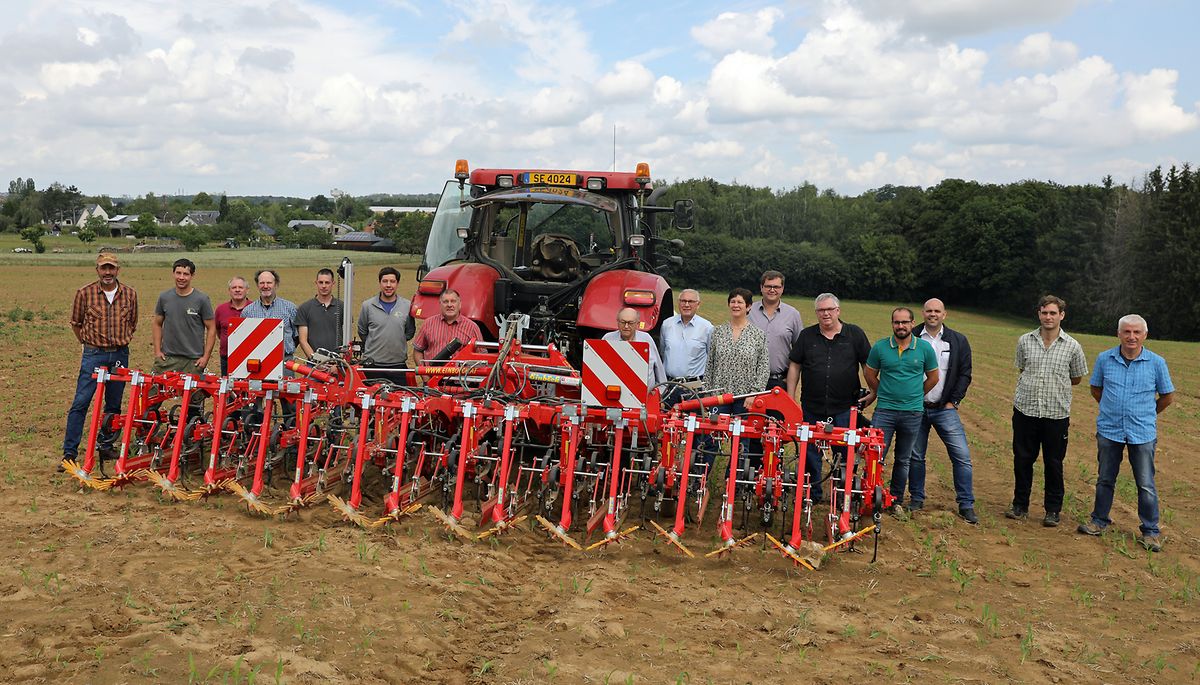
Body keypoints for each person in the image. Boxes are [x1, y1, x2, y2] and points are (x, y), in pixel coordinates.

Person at [1078, 315, 1174, 552]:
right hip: (1109, 430)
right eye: (1127, 332)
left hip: (1142, 433)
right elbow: (1096, 389)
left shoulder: (1156, 363)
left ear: (1145, 335)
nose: (1132, 337)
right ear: (1118, 334)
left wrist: (1147, 414)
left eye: (1136, 332)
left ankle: (1150, 531)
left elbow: (1167, 396)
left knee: (1145, 484)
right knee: (1105, 479)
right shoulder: (1105, 359)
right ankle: (1099, 521)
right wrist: (1113, 410)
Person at [1009, 295, 1089, 527]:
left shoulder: (1072, 346)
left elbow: (1076, 377)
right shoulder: (1025, 341)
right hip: (1026, 411)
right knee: (1023, 460)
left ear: (1061, 315)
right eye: (1044, 312)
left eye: (1053, 313)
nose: (1048, 317)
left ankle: (1052, 510)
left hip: (1056, 414)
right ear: (1039, 314)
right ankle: (1020, 505)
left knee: (1053, 463)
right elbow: (1022, 368)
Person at [785, 293, 872, 503]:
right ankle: (812, 493)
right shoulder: (807, 336)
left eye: (830, 309)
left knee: (844, 452)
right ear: (816, 313)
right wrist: (790, 397)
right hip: (812, 406)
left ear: (838, 311)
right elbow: (795, 365)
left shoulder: (854, 334)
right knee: (810, 452)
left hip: (844, 407)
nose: (825, 314)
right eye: (821, 310)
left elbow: (868, 365)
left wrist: (873, 390)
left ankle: (842, 493)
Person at [62, 252, 138, 466]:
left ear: (118, 270)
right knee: (81, 402)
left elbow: (132, 323)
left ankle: (106, 445)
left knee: (113, 403)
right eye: (103, 268)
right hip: (94, 355)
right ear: (97, 270)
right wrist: (87, 344)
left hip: (120, 354)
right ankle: (69, 453)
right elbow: (76, 323)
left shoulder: (130, 294)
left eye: (111, 268)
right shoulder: (84, 293)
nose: (107, 272)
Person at [864, 307, 939, 518]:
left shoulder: (924, 348)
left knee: (903, 459)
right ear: (892, 324)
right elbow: (869, 374)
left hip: (912, 413)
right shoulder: (880, 347)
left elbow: (933, 378)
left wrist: (916, 394)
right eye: (897, 322)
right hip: (885, 411)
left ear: (912, 323)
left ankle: (895, 500)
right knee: (875, 455)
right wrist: (882, 391)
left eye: (905, 322)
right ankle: (871, 497)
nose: (901, 326)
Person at [910, 298, 977, 524]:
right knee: (916, 456)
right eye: (929, 310)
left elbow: (965, 373)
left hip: (944, 408)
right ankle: (916, 499)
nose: (933, 314)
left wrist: (953, 401)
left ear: (944, 314)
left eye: (937, 311)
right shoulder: (912, 337)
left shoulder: (958, 340)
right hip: (916, 408)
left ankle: (966, 504)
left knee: (961, 456)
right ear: (923, 313)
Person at [705, 288, 770, 468]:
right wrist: (708, 393)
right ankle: (701, 476)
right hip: (719, 395)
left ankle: (734, 477)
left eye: (740, 302)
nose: (736, 305)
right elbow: (710, 364)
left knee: (742, 442)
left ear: (748, 307)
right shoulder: (718, 332)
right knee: (711, 437)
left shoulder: (758, 335)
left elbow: (763, 367)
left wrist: (754, 393)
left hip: (745, 397)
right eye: (733, 301)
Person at [152, 258, 216, 373]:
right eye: (178, 273)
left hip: (193, 361)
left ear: (192, 276)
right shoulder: (164, 297)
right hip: (167, 358)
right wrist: (157, 351)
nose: (181, 277)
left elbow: (211, 328)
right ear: (173, 273)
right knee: (155, 385)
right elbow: (157, 324)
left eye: (186, 274)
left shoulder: (202, 299)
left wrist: (205, 357)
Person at [357, 266, 415, 385]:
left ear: (397, 283)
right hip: (372, 366)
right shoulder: (367, 306)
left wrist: (396, 338)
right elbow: (362, 331)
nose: (388, 285)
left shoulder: (407, 306)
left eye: (392, 281)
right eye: (385, 281)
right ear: (380, 283)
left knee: (400, 396)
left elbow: (409, 332)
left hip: (398, 366)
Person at [747, 270, 803, 391]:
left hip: (779, 382)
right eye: (768, 286)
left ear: (782, 288)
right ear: (761, 287)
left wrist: (790, 380)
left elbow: (799, 351)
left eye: (776, 287)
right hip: (749, 381)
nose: (772, 290)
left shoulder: (793, 314)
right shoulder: (748, 311)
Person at [658, 289, 713, 406]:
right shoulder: (667, 324)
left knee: (692, 417)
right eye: (683, 301)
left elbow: (711, 358)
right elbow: (662, 352)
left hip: (694, 388)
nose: (686, 305)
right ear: (678, 303)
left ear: (698, 304)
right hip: (669, 385)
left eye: (691, 301)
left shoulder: (707, 328)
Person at [601, 307, 666, 389]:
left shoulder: (646, 339)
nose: (626, 326)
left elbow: (658, 368)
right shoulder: (608, 339)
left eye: (630, 323)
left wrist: (661, 390)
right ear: (617, 322)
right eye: (623, 322)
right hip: (615, 392)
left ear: (637, 324)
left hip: (646, 394)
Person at [412, 289, 482, 365]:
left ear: (460, 304)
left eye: (453, 301)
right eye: (445, 302)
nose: (449, 305)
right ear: (440, 304)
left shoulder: (472, 327)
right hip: (432, 372)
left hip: (461, 372)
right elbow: (418, 350)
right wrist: (423, 371)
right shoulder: (428, 324)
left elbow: (481, 355)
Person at [296, 268, 344, 359]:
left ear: (333, 283)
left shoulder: (342, 307)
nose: (324, 286)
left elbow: (347, 338)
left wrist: (339, 360)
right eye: (321, 282)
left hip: (338, 362)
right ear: (316, 283)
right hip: (314, 363)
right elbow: (303, 341)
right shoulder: (305, 308)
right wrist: (317, 360)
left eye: (327, 282)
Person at [214, 276, 249, 375]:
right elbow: (218, 331)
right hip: (226, 357)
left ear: (247, 290)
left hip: (249, 358)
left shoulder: (254, 308)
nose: (237, 290)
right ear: (229, 291)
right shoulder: (221, 309)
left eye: (240, 287)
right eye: (234, 288)